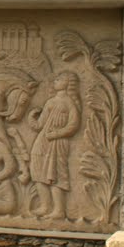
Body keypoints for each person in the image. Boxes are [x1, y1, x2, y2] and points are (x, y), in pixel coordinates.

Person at [29, 71, 82, 219]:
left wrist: (57, 134)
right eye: (56, 78)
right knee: (37, 170)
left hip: (58, 142)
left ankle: (59, 210)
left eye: (60, 79)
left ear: (67, 83)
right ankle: (45, 206)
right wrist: (31, 117)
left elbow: (74, 125)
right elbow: (40, 125)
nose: (56, 80)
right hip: (42, 140)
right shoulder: (50, 102)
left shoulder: (70, 103)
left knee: (56, 174)